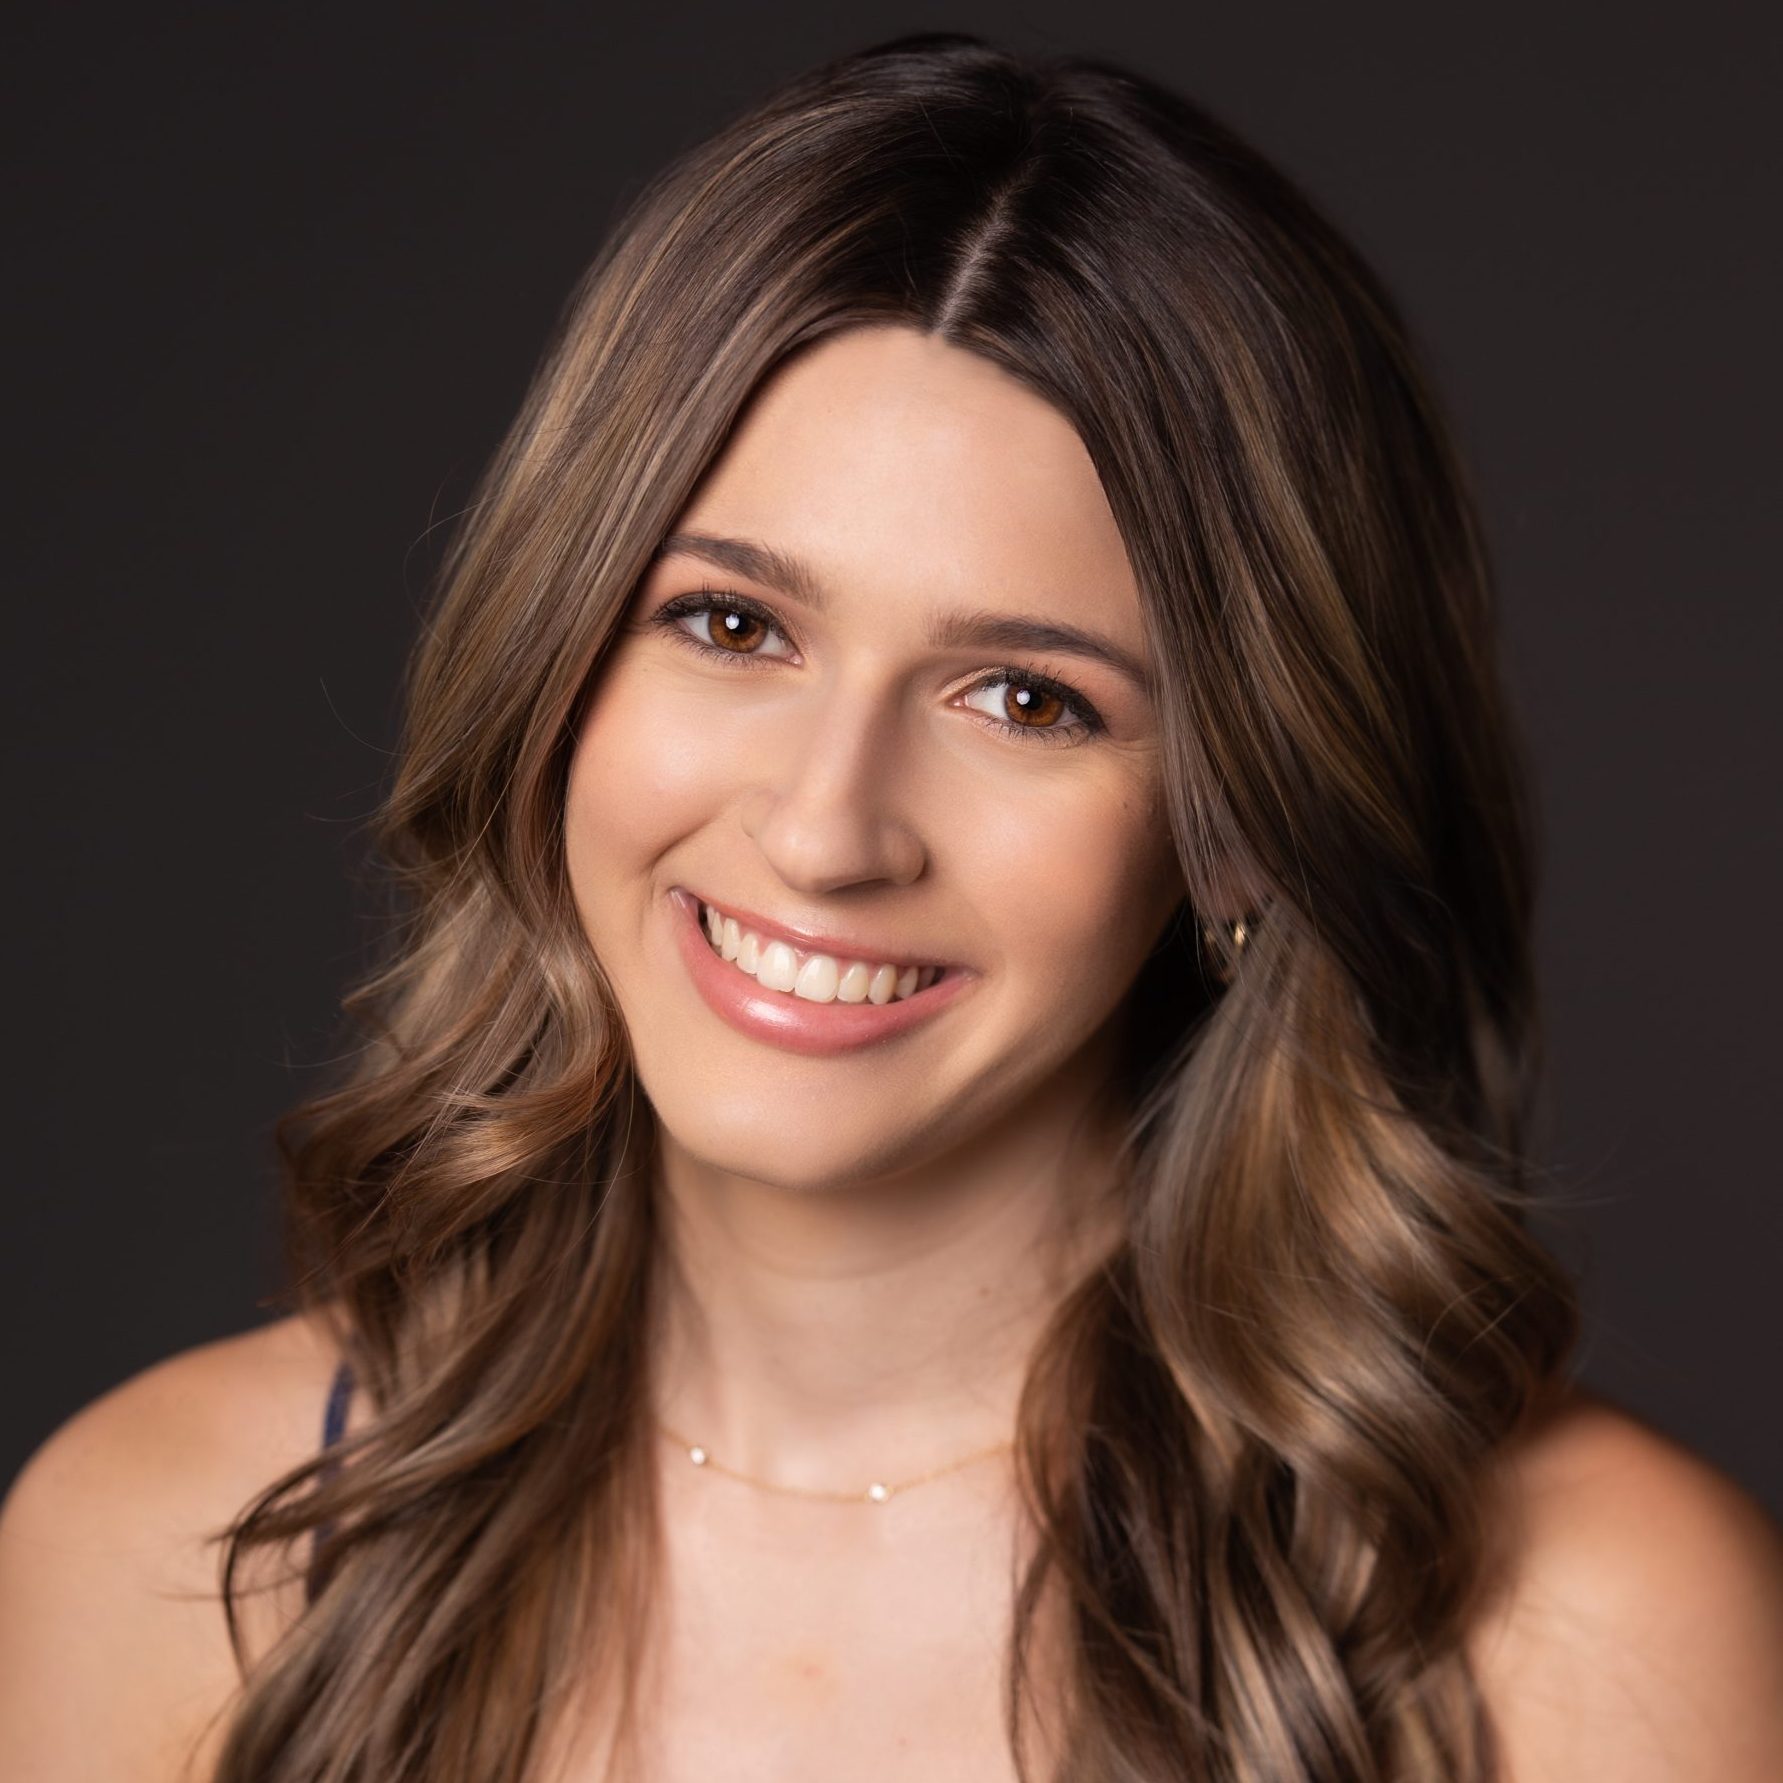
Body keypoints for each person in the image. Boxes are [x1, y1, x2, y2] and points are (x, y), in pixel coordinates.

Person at [2, 30, 1779, 1783]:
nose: (826, 828)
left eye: (1024, 698)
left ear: (1241, 827)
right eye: (734, 626)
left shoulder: (1586, 1637)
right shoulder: (163, 1548)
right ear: (554, 670)